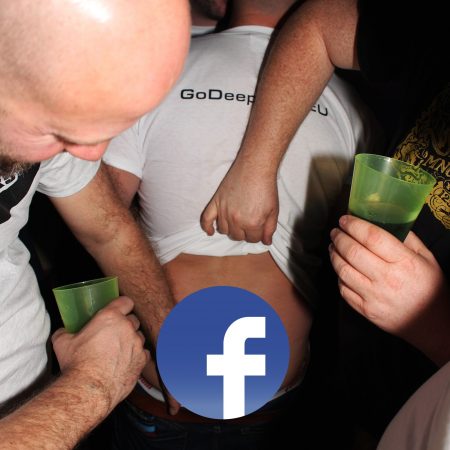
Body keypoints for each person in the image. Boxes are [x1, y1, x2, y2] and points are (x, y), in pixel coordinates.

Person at [103, 0, 378, 448]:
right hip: (257, 412)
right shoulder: (353, 108)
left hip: (178, 404)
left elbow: (102, 219)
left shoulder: (152, 78)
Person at [197, 0, 449, 442]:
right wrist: (254, 169)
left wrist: (431, 319)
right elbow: (319, 23)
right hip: (337, 382)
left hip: (424, 422)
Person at [0, 0, 191, 448]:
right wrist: (93, 385)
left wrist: (169, 340)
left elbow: (110, 231)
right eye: (59, 129)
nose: (91, 153)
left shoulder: (42, 101)